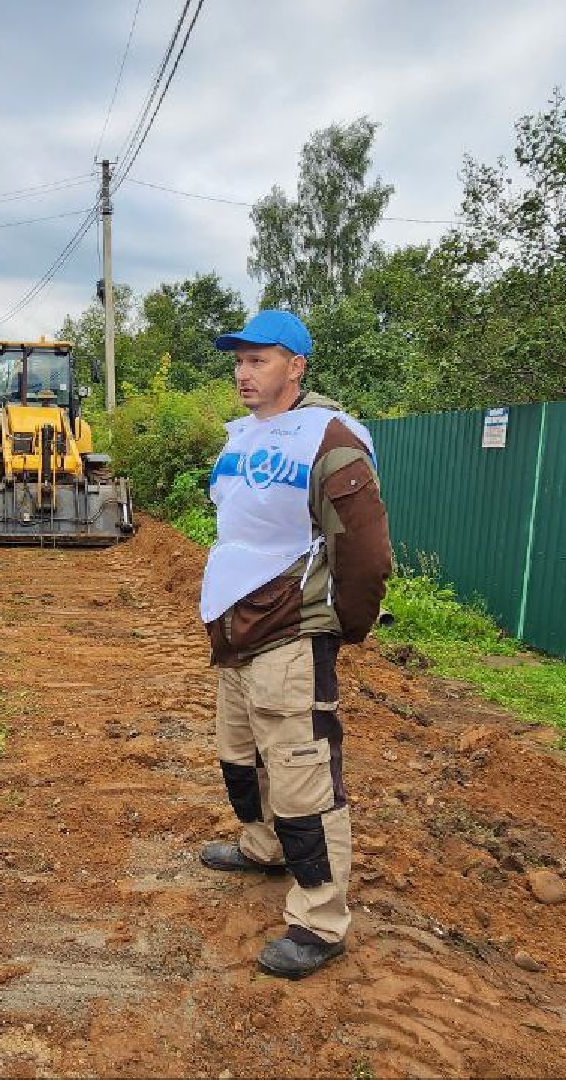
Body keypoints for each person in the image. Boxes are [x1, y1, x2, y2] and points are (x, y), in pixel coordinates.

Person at [197, 308, 392, 979]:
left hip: (290, 629)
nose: (242, 372)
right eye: (238, 360)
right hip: (235, 628)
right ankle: (260, 846)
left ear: (296, 365)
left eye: (258, 360)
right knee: (240, 756)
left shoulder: (331, 441)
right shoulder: (249, 435)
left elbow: (364, 557)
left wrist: (340, 628)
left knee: (304, 776)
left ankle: (319, 919)